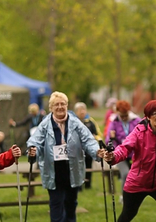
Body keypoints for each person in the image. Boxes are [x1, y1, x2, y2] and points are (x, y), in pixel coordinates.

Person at [27, 91, 100, 222]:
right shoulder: (45, 124)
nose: (60, 107)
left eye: (63, 104)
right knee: (56, 203)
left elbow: (88, 140)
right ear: (51, 108)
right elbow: (35, 141)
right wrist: (33, 151)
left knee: (71, 203)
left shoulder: (76, 123)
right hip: (53, 170)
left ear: (67, 106)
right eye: (56, 104)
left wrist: (97, 151)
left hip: (72, 168)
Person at [105, 100, 141, 203]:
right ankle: (123, 196)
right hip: (120, 153)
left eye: (126, 115)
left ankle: (134, 197)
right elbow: (108, 140)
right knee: (125, 174)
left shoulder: (136, 120)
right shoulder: (114, 121)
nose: (124, 118)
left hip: (134, 153)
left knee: (135, 177)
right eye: (122, 115)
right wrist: (111, 138)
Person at [74, 102, 103, 189]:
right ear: (76, 112)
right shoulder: (73, 122)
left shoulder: (91, 121)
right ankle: (79, 186)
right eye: (80, 110)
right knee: (78, 167)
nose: (82, 112)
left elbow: (98, 134)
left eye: (84, 110)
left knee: (88, 166)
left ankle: (88, 184)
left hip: (88, 149)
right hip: (77, 150)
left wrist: (95, 138)